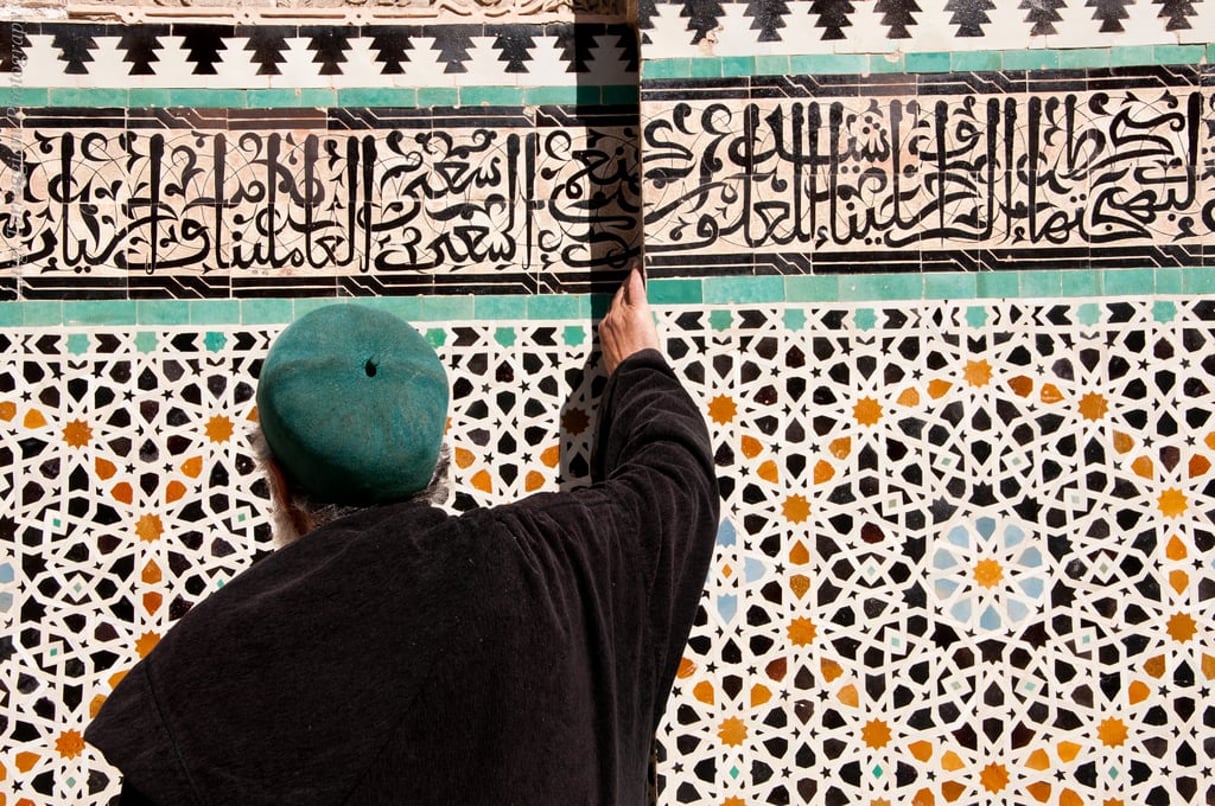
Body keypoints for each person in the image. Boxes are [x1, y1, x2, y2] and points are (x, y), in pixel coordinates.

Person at [85, 266, 720, 805]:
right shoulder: (554, 561)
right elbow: (675, 483)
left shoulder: (221, 663)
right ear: (442, 461)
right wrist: (639, 365)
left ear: (276, 481)